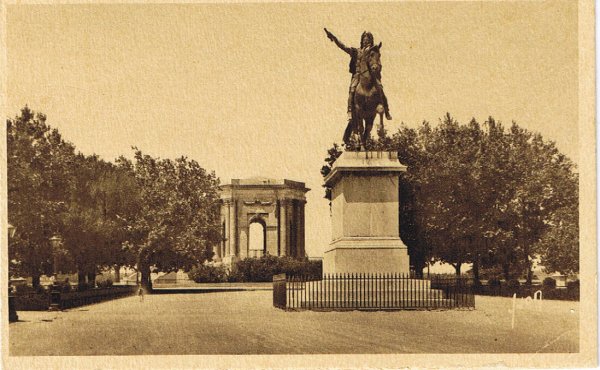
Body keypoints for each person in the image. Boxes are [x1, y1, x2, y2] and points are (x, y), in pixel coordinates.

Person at [324, 28, 392, 121]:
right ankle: (350, 111)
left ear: (371, 40)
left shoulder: (373, 51)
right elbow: (343, 46)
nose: (366, 41)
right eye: (364, 39)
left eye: (368, 39)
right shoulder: (356, 51)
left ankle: (386, 110)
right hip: (357, 75)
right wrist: (334, 38)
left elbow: (376, 62)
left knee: (379, 87)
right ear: (362, 40)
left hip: (370, 75)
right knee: (352, 89)